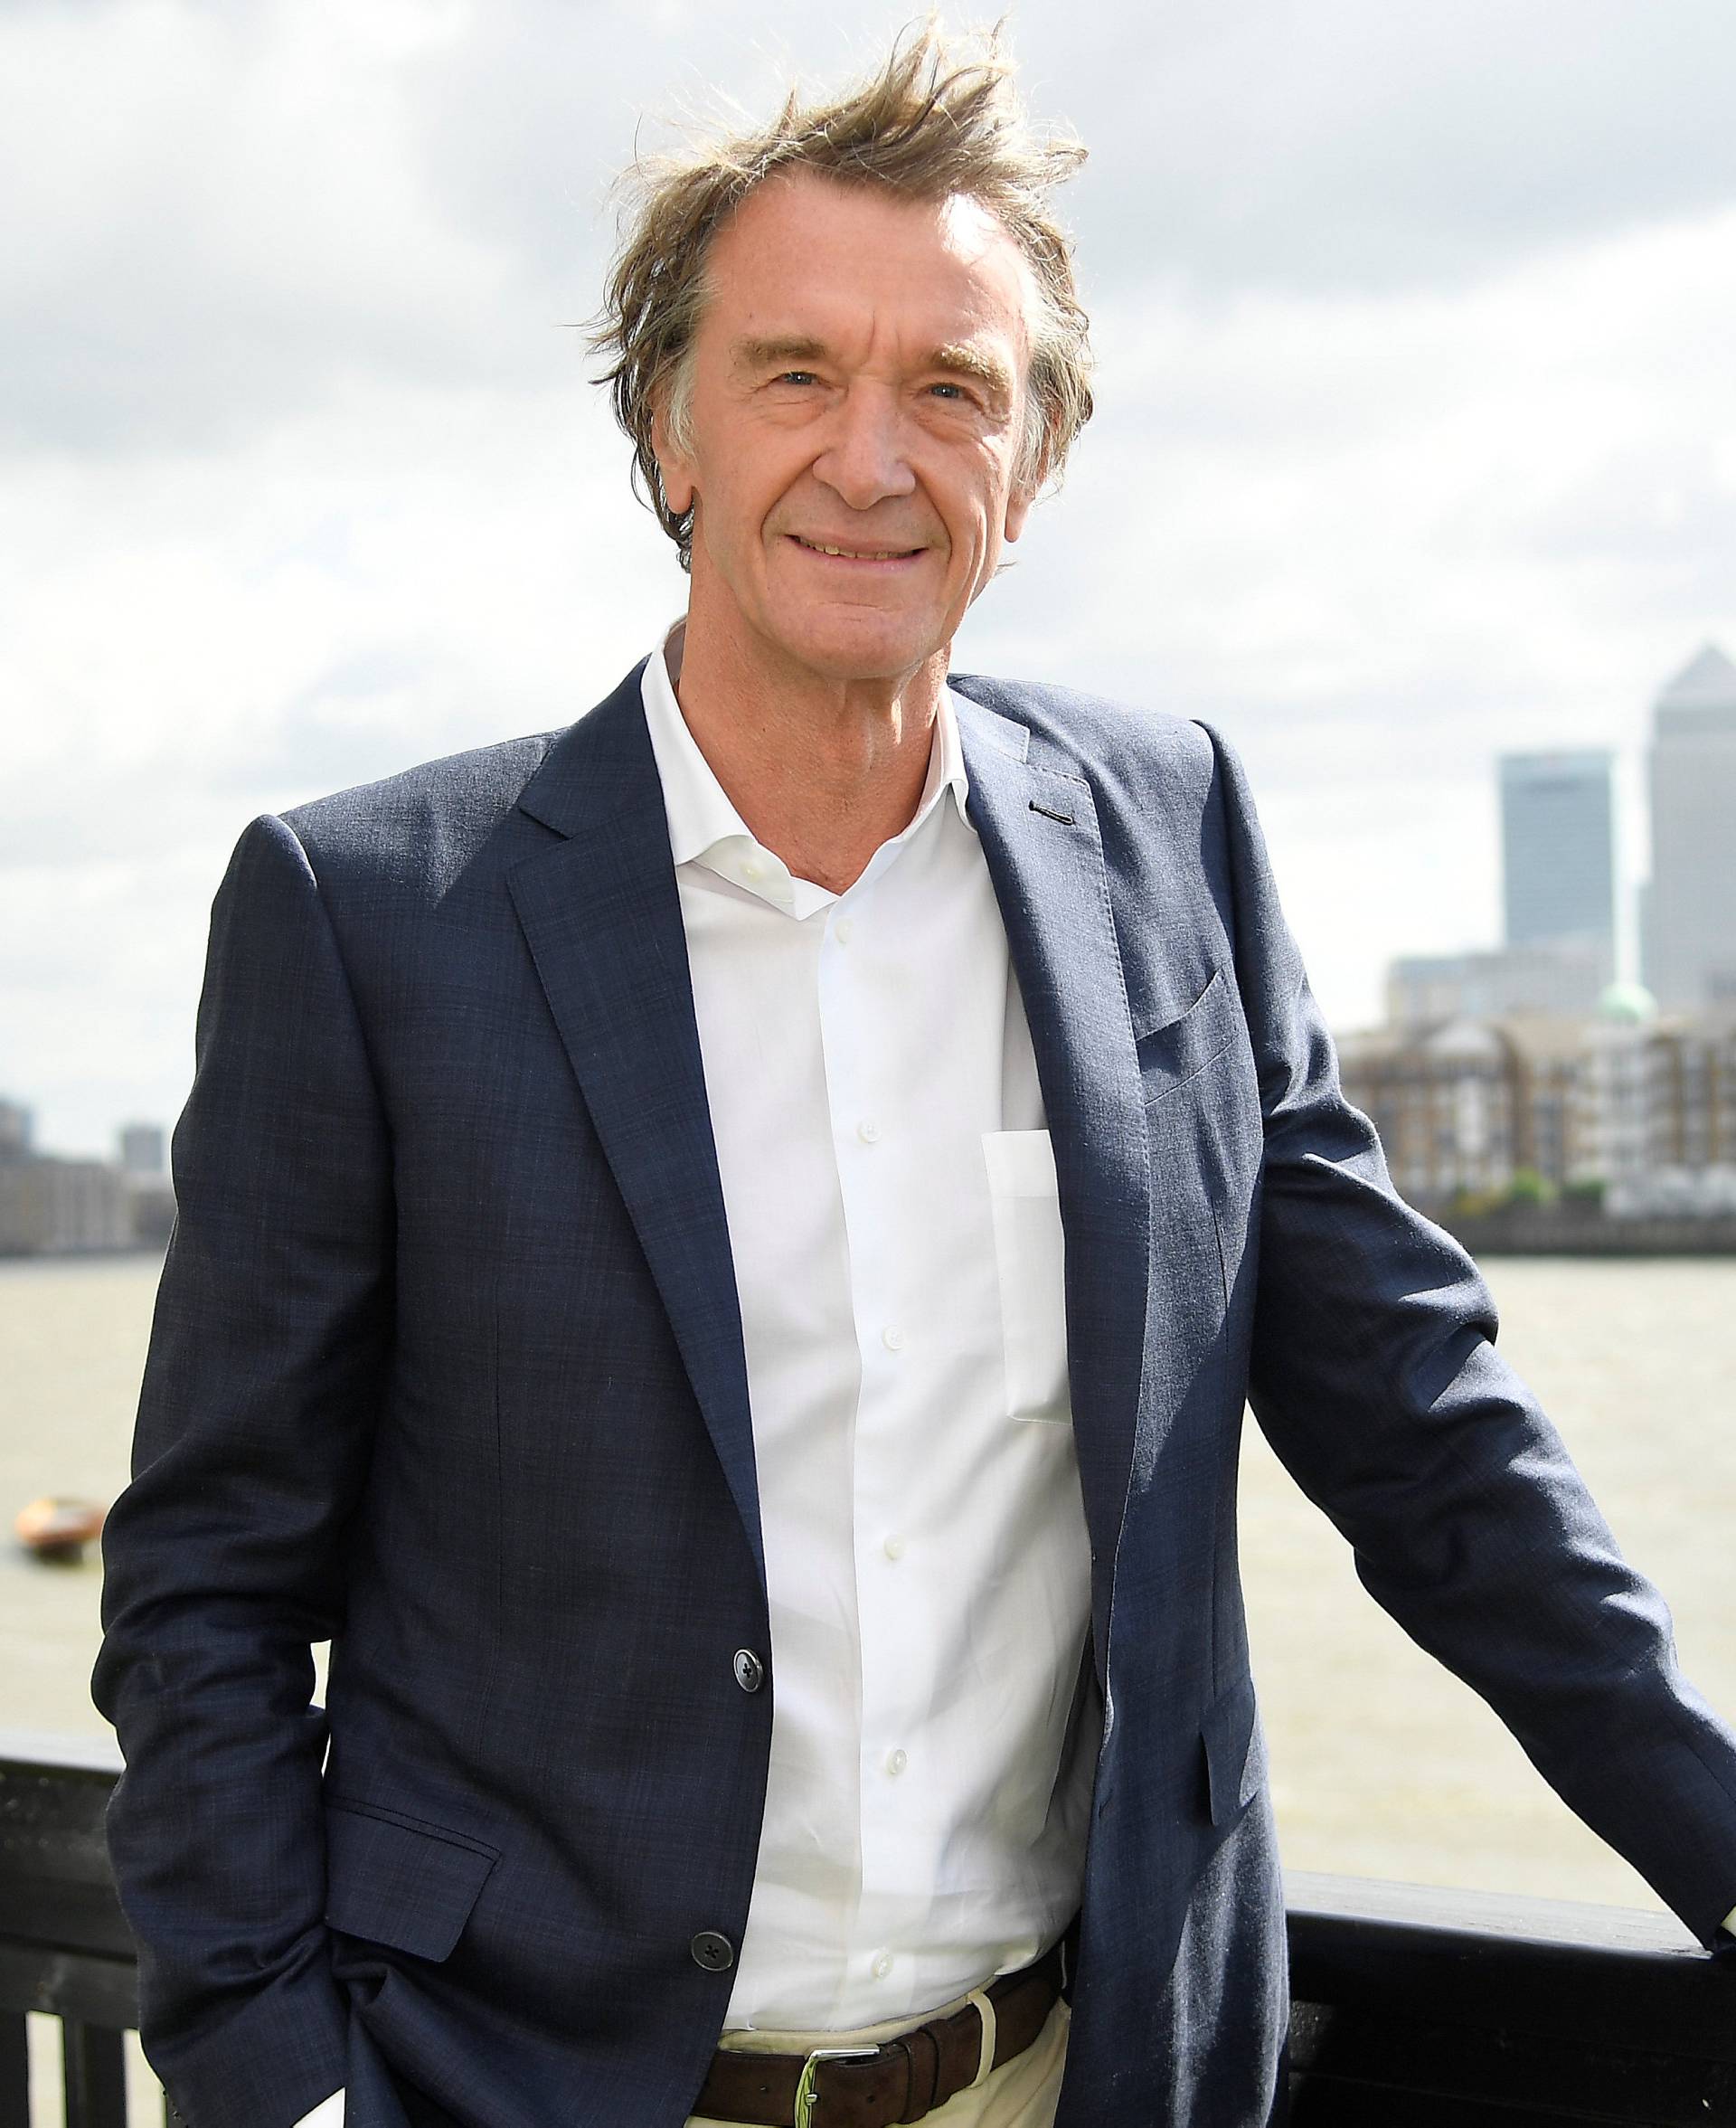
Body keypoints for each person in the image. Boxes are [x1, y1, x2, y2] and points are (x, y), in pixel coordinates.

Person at [92, 24, 1736, 2128]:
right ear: (665, 430)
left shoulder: (1174, 837)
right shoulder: (368, 915)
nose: (872, 457)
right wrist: (281, 2084)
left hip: (1075, 2073)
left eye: (952, 388)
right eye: (795, 373)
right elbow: (211, 1587)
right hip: (511, 2086)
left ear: (1030, 466)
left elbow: (1426, 1433)